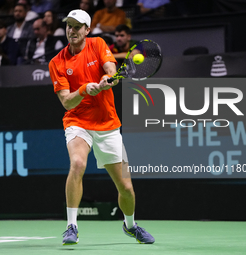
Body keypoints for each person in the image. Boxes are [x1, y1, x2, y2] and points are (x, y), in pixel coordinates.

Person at [49, 9, 155, 245]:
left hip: (107, 124)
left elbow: (111, 71)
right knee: (77, 163)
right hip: (78, 122)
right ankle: (71, 226)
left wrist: (109, 79)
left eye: (78, 26)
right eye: (69, 25)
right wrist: (86, 89)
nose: (72, 30)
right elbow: (67, 101)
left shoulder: (98, 44)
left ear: (87, 30)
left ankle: (130, 226)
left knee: (126, 187)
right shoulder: (57, 62)